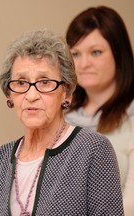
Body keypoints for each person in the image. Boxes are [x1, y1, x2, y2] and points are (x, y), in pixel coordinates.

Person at [0, 29, 124, 215]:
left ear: (67, 93)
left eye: (45, 82)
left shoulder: (93, 149)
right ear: (10, 95)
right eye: (21, 83)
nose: (31, 95)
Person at [65, 6, 134, 215]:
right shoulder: (61, 117)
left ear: (119, 54)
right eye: (75, 54)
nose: (84, 64)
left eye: (96, 52)